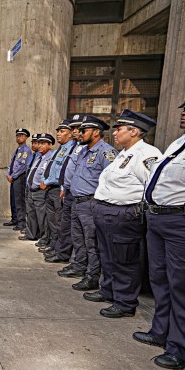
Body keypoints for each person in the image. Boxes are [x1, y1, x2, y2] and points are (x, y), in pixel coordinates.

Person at [135, 83, 185, 369]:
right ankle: (161, 332)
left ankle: (183, 348)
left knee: (183, 287)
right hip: (158, 219)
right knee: (160, 279)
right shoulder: (182, 141)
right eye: (184, 108)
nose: (184, 113)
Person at [80, 110, 161, 318]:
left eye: (120, 129)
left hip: (124, 214)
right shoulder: (124, 154)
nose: (115, 133)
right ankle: (108, 291)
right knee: (108, 256)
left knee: (124, 260)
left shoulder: (147, 154)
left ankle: (125, 302)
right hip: (106, 212)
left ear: (134, 131)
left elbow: (154, 186)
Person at [63, 115, 118, 291]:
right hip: (77, 201)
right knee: (78, 239)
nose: (79, 134)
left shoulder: (106, 152)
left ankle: (92, 276)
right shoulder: (84, 151)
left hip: (91, 203)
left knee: (91, 242)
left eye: (83, 131)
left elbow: (113, 179)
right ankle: (79, 267)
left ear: (96, 132)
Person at [43, 118, 79, 263]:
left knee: (60, 223)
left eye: (62, 131)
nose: (58, 134)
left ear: (70, 134)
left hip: (59, 188)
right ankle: (55, 246)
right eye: (57, 131)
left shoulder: (73, 147)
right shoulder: (62, 148)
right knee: (53, 221)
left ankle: (62, 251)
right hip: (51, 187)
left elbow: (65, 171)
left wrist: (60, 185)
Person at [28, 133, 56, 249]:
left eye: (43, 143)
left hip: (41, 190)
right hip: (32, 190)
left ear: (50, 145)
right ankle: (37, 235)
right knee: (33, 214)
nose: (40, 146)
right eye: (39, 143)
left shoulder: (51, 157)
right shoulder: (39, 157)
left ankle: (45, 238)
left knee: (43, 217)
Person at [6, 128, 31, 231]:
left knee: (19, 200)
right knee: (13, 198)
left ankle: (21, 222)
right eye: (17, 135)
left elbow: (22, 166)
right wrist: (8, 174)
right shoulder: (18, 150)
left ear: (26, 137)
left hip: (19, 177)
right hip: (13, 178)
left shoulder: (26, 150)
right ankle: (14, 219)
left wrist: (13, 176)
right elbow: (12, 164)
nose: (18, 137)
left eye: (21, 135)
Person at [20, 134, 41, 240]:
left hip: (37, 187)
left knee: (36, 213)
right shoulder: (33, 155)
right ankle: (30, 232)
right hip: (29, 185)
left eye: (36, 143)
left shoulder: (41, 156)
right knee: (30, 211)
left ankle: (34, 233)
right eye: (33, 142)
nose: (34, 145)